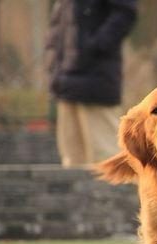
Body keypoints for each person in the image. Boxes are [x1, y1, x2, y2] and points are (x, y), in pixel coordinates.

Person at [45, 0, 137, 168]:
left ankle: (115, 195)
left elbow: (125, 13)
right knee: (72, 161)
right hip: (65, 81)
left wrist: (95, 45)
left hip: (96, 80)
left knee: (109, 160)